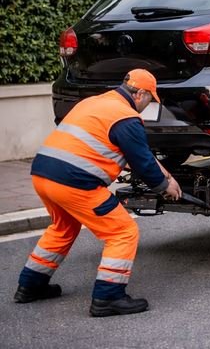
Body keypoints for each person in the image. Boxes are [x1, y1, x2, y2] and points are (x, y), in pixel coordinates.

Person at [14, 69, 182, 317]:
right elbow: (142, 162)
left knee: (63, 227)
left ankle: (30, 286)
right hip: (75, 182)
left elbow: (134, 153)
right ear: (141, 94)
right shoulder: (126, 116)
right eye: (150, 100)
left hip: (43, 174)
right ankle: (109, 298)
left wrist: (167, 176)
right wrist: (164, 186)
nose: (148, 106)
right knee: (122, 231)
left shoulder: (95, 102)